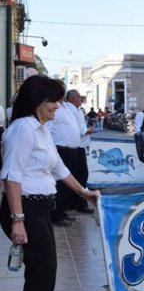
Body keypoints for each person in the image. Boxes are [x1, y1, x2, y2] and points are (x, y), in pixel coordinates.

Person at [0, 75, 99, 291]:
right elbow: (12, 177)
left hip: (40, 208)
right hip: (25, 209)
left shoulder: (42, 129)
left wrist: (83, 192)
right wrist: (17, 220)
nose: (58, 105)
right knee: (41, 274)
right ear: (38, 101)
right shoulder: (22, 130)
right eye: (54, 100)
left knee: (45, 274)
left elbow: (58, 167)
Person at [47, 89, 96, 226]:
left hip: (71, 150)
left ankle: (62, 211)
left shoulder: (66, 107)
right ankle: (57, 214)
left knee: (67, 181)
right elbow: (48, 129)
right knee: (60, 184)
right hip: (61, 149)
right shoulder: (54, 107)